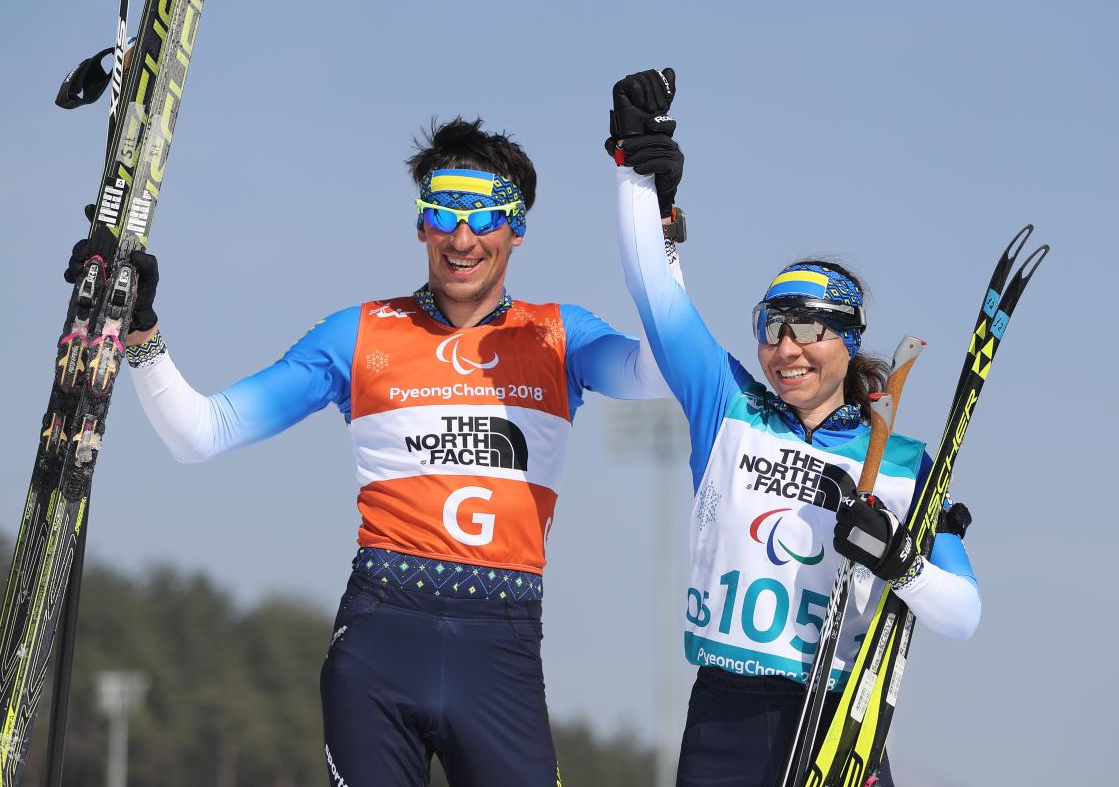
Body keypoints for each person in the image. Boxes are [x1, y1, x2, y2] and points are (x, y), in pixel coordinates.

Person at [68, 117, 681, 786]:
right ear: (421, 225)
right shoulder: (358, 334)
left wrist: (655, 226)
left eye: (484, 217)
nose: (462, 238)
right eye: (443, 214)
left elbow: (660, 368)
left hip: (500, 646)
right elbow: (202, 433)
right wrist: (142, 331)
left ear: (517, 228)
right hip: (383, 635)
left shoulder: (557, 335)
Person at [606, 70, 982, 786]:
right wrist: (634, 162)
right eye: (771, 328)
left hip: (838, 719)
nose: (785, 347)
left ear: (846, 339)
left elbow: (963, 613)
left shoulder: (899, 460)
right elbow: (652, 290)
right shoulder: (728, 408)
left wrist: (903, 565)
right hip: (725, 715)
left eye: (807, 328)